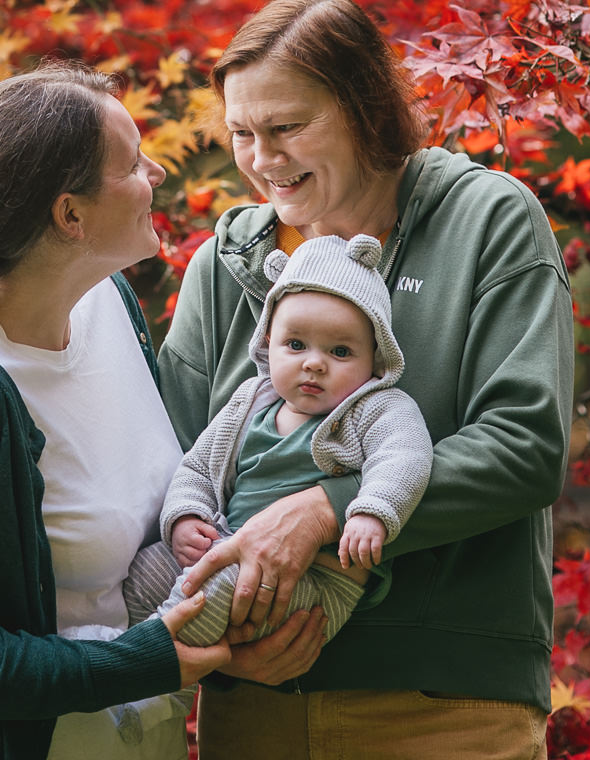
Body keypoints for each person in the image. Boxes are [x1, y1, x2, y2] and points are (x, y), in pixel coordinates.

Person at [0, 62, 326, 760]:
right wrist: (142, 663)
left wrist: (211, 644)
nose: (158, 172)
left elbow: (130, 577)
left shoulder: (106, 303)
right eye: (133, 163)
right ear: (69, 216)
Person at [156, 0, 573, 758]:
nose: (262, 159)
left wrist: (327, 507)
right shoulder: (226, 264)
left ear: (366, 109)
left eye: (287, 127)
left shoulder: (487, 221)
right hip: (252, 698)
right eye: (244, 132)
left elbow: (525, 447)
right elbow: (168, 461)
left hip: (443, 703)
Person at [124, 232, 431, 648]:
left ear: (375, 360)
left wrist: (371, 512)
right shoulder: (250, 401)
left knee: (216, 589)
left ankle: (153, 652)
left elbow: (406, 457)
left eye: (340, 352)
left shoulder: (376, 409)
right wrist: (186, 516)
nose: (314, 363)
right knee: (144, 572)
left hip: (316, 581)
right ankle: (135, 670)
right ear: (269, 342)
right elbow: (197, 466)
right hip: (228, 540)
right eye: (296, 344)